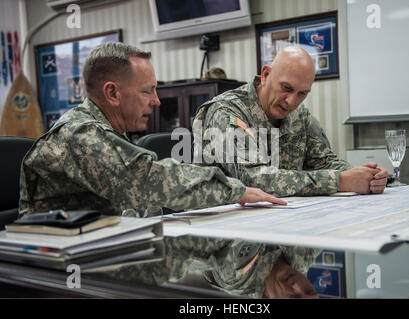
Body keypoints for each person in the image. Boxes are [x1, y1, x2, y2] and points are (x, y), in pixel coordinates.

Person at [18, 42, 317, 298]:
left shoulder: (105, 131)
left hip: (93, 259)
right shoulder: (80, 136)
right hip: (56, 277)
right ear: (112, 93)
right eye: (147, 91)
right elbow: (149, 179)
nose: (157, 101)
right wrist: (236, 191)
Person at [193, 46, 388, 197]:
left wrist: (366, 176)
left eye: (302, 93)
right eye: (286, 88)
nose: (292, 102)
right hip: (226, 232)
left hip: (282, 222)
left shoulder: (299, 116)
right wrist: (340, 181)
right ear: (266, 75)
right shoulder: (226, 112)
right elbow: (255, 179)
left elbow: (324, 162)